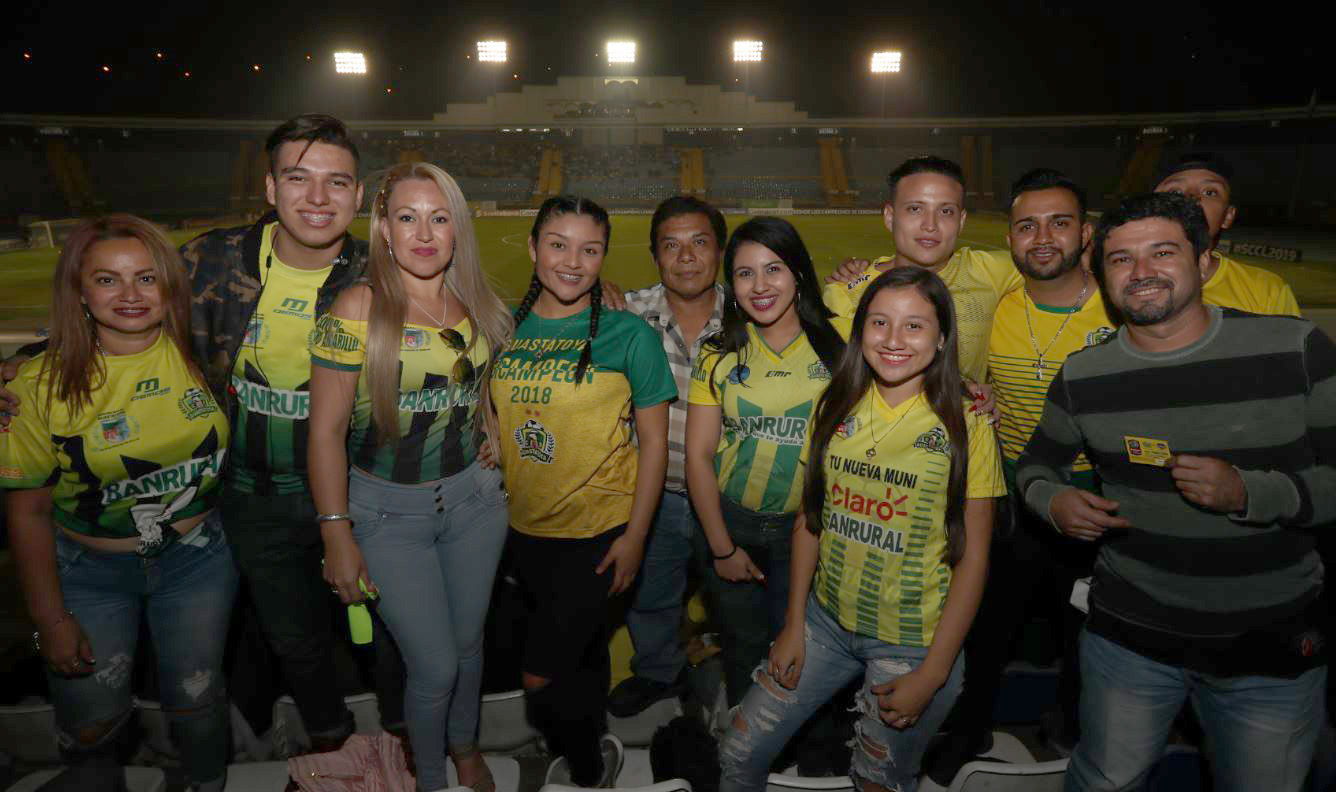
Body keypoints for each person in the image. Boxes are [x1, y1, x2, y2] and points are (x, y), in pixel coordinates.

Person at [1016, 191, 1334, 792]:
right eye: (1121, 259)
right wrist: (1052, 502)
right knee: (1105, 779)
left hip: (1269, 642)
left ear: (1205, 262)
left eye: (1162, 252)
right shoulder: (1084, 374)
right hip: (1127, 637)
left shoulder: (1295, 349)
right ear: (1102, 275)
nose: (1141, 272)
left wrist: (1250, 493)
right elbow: (1035, 467)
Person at [718, 266, 1004, 792]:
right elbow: (810, 521)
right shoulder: (834, 404)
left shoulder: (969, 423)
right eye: (879, 322)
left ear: (942, 338)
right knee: (736, 752)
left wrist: (933, 672)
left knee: (876, 781)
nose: (893, 339)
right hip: (824, 623)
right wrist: (794, 623)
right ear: (860, 330)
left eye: (914, 325)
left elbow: (975, 558)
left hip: (912, 644)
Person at [1, 216, 235, 792]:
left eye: (146, 277)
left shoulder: (209, 352)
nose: (130, 294)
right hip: (87, 576)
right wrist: (48, 622)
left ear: (170, 286)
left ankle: (205, 782)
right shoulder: (32, 387)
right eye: (107, 279)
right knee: (89, 718)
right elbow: (27, 514)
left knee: (199, 698)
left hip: (199, 560)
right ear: (79, 291)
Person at [307, 162, 512, 792]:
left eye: (439, 218)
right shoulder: (357, 307)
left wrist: (492, 427)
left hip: (476, 504)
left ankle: (465, 746)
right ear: (385, 230)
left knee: (470, 646)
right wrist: (336, 532)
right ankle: (430, 778)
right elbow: (324, 433)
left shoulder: (473, 299)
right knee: (436, 667)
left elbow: (477, 385)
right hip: (387, 515)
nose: (424, 233)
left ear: (457, 230)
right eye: (407, 217)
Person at [926, 168, 1113, 780]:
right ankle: (970, 726)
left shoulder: (1122, 307)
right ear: (1009, 238)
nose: (1043, 237)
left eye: (1059, 223)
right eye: (1027, 225)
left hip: (1099, 499)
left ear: (1085, 233)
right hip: (1007, 493)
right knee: (987, 621)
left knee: (1088, 629)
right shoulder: (997, 303)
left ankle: (1073, 730)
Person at [489, 196, 675, 787]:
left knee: (540, 676)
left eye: (589, 250)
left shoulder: (629, 334)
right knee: (584, 654)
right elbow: (486, 407)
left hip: (600, 533)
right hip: (522, 532)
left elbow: (654, 445)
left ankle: (587, 767)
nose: (573, 261)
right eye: (558, 245)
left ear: (604, 257)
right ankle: (593, 751)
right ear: (532, 248)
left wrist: (636, 537)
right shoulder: (501, 327)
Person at [685, 216, 845, 709]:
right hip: (731, 526)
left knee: (797, 649)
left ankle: (788, 741)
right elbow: (698, 456)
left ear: (798, 273)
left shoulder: (840, 349)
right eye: (745, 273)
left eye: (773, 268)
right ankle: (740, 736)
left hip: (809, 531)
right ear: (731, 285)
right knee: (742, 647)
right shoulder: (717, 354)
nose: (759, 286)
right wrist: (722, 549)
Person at [609, 196, 728, 717]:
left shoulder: (752, 315)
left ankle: (741, 672)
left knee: (734, 598)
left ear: (719, 252)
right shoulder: (626, 314)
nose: (686, 258)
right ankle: (659, 672)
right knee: (650, 597)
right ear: (655, 255)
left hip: (728, 497)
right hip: (652, 497)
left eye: (699, 243)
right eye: (671, 245)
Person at [821, 156, 1022, 385]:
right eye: (915, 209)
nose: (930, 225)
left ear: (961, 220)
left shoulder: (989, 271)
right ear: (890, 217)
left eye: (946, 211)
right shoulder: (847, 293)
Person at [1154, 152, 1301, 317]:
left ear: (1228, 216)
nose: (1192, 198)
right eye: (1175, 192)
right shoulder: (1130, 282)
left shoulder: (1266, 290)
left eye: (1210, 192)